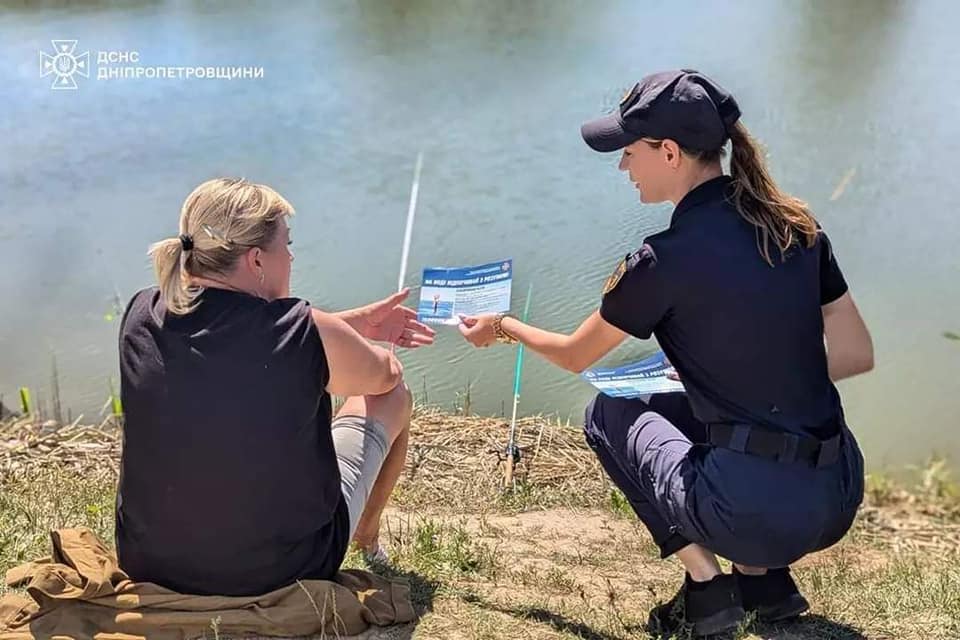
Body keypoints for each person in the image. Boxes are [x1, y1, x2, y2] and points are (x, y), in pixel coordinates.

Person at [458, 69, 873, 636]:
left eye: (629, 151)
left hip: (751, 511)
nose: (624, 166)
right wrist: (759, 376)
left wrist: (502, 325)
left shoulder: (661, 260)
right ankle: (764, 582)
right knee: (690, 402)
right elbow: (854, 353)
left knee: (607, 413)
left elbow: (575, 355)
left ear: (670, 152)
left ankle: (707, 585)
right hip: (837, 496)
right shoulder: (797, 228)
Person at [117, 177, 435, 596]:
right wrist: (368, 342)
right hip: (283, 568)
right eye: (286, 243)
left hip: (150, 562)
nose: (290, 255)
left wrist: (351, 325)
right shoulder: (301, 333)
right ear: (256, 261)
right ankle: (367, 534)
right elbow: (384, 375)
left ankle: (365, 533)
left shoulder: (142, 311)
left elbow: (245, 342)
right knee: (393, 395)